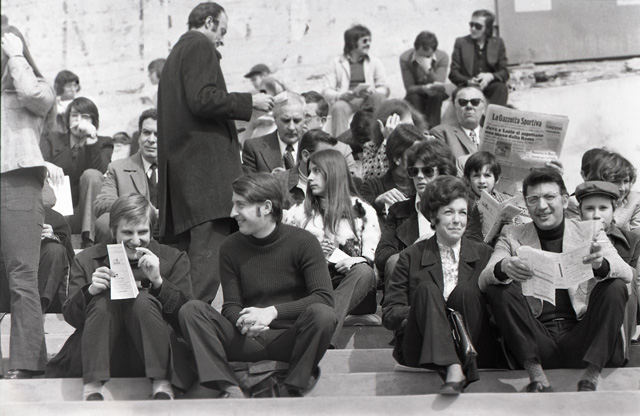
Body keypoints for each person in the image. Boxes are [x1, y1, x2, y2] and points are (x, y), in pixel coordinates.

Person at [178, 173, 336, 398]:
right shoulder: (230, 247)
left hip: (289, 340)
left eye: (240, 205)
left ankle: (291, 387)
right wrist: (244, 322)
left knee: (323, 315)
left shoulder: (304, 242)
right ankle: (228, 386)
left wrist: (272, 312)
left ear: (267, 207)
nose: (232, 213)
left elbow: (324, 297)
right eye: (233, 204)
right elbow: (231, 306)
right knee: (192, 310)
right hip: (246, 340)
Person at [157, 2, 273, 303]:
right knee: (205, 265)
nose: (222, 39)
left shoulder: (177, 53)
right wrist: (250, 102)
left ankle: (178, 322)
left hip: (186, 177)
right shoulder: (199, 45)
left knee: (189, 264)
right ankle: (189, 322)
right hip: (206, 179)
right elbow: (202, 99)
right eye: (222, 30)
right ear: (209, 22)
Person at [479, 168, 633, 392]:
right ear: (526, 203)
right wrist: (503, 268)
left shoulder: (589, 230)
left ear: (564, 200)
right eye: (533, 199)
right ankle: (537, 376)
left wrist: (601, 265)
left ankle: (591, 376)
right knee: (498, 288)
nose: (542, 206)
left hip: (581, 336)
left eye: (549, 197)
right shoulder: (512, 234)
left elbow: (627, 273)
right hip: (536, 339)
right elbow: (484, 279)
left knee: (615, 286)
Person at [47, 194, 193, 400]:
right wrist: (90, 292)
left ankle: (162, 385)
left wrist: (159, 282)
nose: (136, 240)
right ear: (113, 230)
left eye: (143, 232)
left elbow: (186, 317)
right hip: (101, 353)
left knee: (142, 300)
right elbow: (71, 317)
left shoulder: (173, 259)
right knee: (102, 301)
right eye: (127, 232)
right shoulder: (86, 259)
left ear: (152, 230)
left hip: (153, 354)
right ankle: (93, 389)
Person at [383, 176, 499, 395]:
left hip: (472, 343)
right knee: (427, 290)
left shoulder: (485, 255)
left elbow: (495, 310)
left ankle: (458, 364)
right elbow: (389, 314)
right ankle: (453, 366)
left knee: (465, 292)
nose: (457, 220)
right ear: (433, 216)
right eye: (449, 212)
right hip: (422, 347)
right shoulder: (410, 256)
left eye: (462, 213)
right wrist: (430, 312)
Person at [1, 26, 55, 379]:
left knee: (22, 275)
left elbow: (34, 95)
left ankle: (28, 363)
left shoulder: (37, 88)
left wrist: (16, 55)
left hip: (18, 181)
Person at [284, 149, 380, 346]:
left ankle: (319, 333)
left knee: (364, 271)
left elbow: (374, 260)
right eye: (309, 172)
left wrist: (358, 260)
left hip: (354, 289)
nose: (310, 178)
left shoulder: (363, 211)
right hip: (314, 286)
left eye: (317, 171)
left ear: (334, 173)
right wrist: (312, 253)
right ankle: (323, 338)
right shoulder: (298, 213)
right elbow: (285, 260)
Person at [375, 139, 458, 285]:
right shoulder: (398, 210)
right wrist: (414, 251)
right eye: (414, 171)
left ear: (443, 172)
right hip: (411, 278)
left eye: (427, 171)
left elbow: (475, 248)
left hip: (451, 276)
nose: (419, 176)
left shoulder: (463, 208)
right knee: (395, 261)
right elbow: (382, 254)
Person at [575, 181, 640, 359]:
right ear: (580, 211)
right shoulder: (569, 236)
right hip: (580, 318)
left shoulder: (631, 241)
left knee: (623, 281)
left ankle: (618, 352)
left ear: (614, 209)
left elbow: (633, 285)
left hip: (616, 315)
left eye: (603, 208)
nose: (596, 215)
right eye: (589, 208)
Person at [40, 97, 114, 248]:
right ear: (67, 119)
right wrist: (46, 164)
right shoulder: (52, 139)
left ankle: (89, 241)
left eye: (85, 117)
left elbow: (101, 172)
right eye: (74, 115)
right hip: (58, 210)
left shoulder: (103, 143)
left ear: (94, 121)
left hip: (86, 214)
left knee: (92, 174)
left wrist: (91, 139)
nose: (79, 121)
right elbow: (34, 162)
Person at [94, 109, 159, 243]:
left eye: (158, 134)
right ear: (139, 136)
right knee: (104, 221)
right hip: (131, 231)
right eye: (146, 132)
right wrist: (136, 210)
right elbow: (102, 203)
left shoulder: (179, 169)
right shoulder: (118, 168)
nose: (151, 140)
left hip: (169, 228)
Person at [322, 24, 389, 137]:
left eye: (369, 41)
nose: (368, 44)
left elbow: (385, 88)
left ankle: (378, 137)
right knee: (338, 107)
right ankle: (341, 144)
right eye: (364, 41)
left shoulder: (375, 62)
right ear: (353, 43)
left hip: (368, 99)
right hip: (347, 101)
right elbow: (326, 91)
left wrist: (374, 91)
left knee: (378, 97)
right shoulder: (335, 63)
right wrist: (341, 95)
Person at [449, 9, 509, 106]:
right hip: (466, 87)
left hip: (489, 86)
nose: (473, 29)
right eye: (471, 24)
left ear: (487, 28)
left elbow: (504, 72)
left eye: (478, 26)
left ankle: (494, 116)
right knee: (464, 95)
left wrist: (490, 76)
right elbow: (453, 73)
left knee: (501, 88)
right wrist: (468, 81)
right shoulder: (461, 43)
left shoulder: (497, 43)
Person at [360, 124, 422, 218]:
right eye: (414, 154)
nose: (420, 159)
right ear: (397, 158)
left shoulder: (424, 183)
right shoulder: (372, 186)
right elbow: (360, 212)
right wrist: (378, 202)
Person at [273, 129, 339, 209]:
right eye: (324, 156)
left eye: (333, 156)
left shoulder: (338, 183)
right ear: (306, 156)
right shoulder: (277, 183)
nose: (331, 161)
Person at [242, 92, 305, 173]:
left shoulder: (316, 146)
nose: (291, 127)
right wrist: (272, 179)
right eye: (286, 120)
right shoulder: (254, 148)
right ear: (275, 118)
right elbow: (248, 180)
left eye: (297, 121)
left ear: (304, 118)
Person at [301, 90, 358, 177]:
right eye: (298, 116)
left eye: (307, 116)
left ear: (322, 121)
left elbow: (353, 182)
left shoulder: (341, 151)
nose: (301, 121)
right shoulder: (287, 147)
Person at [430, 86, 485, 174]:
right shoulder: (441, 133)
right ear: (456, 108)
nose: (469, 106)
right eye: (463, 102)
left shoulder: (491, 135)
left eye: (475, 102)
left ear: (483, 108)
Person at [400, 31, 449, 128]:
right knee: (413, 97)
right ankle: (420, 128)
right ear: (415, 49)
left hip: (435, 90)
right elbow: (409, 87)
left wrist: (428, 69)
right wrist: (423, 88)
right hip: (418, 91)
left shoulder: (442, 57)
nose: (423, 59)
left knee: (437, 95)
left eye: (427, 56)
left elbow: (439, 82)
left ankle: (433, 129)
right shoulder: (405, 58)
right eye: (420, 56)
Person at [361, 99, 417, 181]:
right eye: (404, 127)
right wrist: (387, 141)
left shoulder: (417, 143)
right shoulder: (371, 147)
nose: (410, 130)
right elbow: (369, 178)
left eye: (411, 125)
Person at [51, 70, 81, 134]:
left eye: (75, 85)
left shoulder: (80, 102)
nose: (73, 89)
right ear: (60, 87)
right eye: (69, 86)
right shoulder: (54, 103)